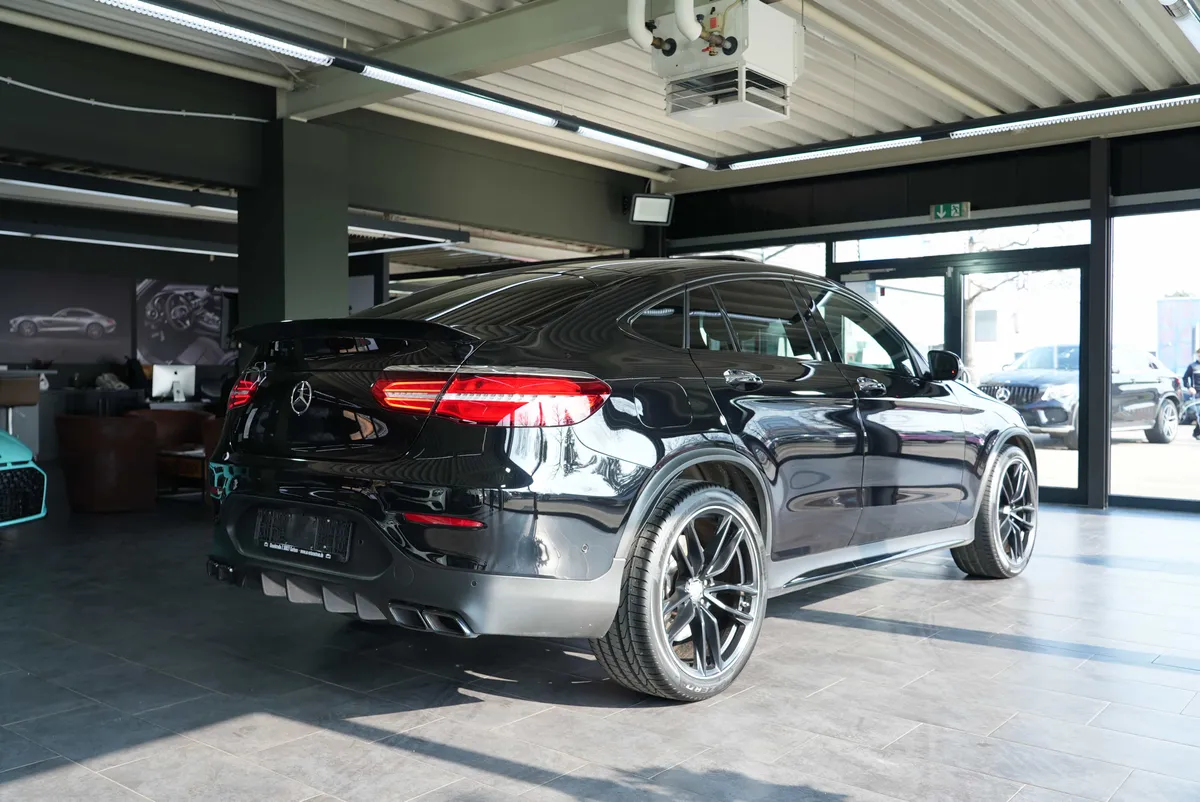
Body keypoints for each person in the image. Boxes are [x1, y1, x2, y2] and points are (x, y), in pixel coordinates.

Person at [1184, 348, 1200, 439]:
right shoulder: (1192, 366)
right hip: (1197, 393)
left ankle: (1196, 432)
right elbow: (1185, 378)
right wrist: (1189, 387)